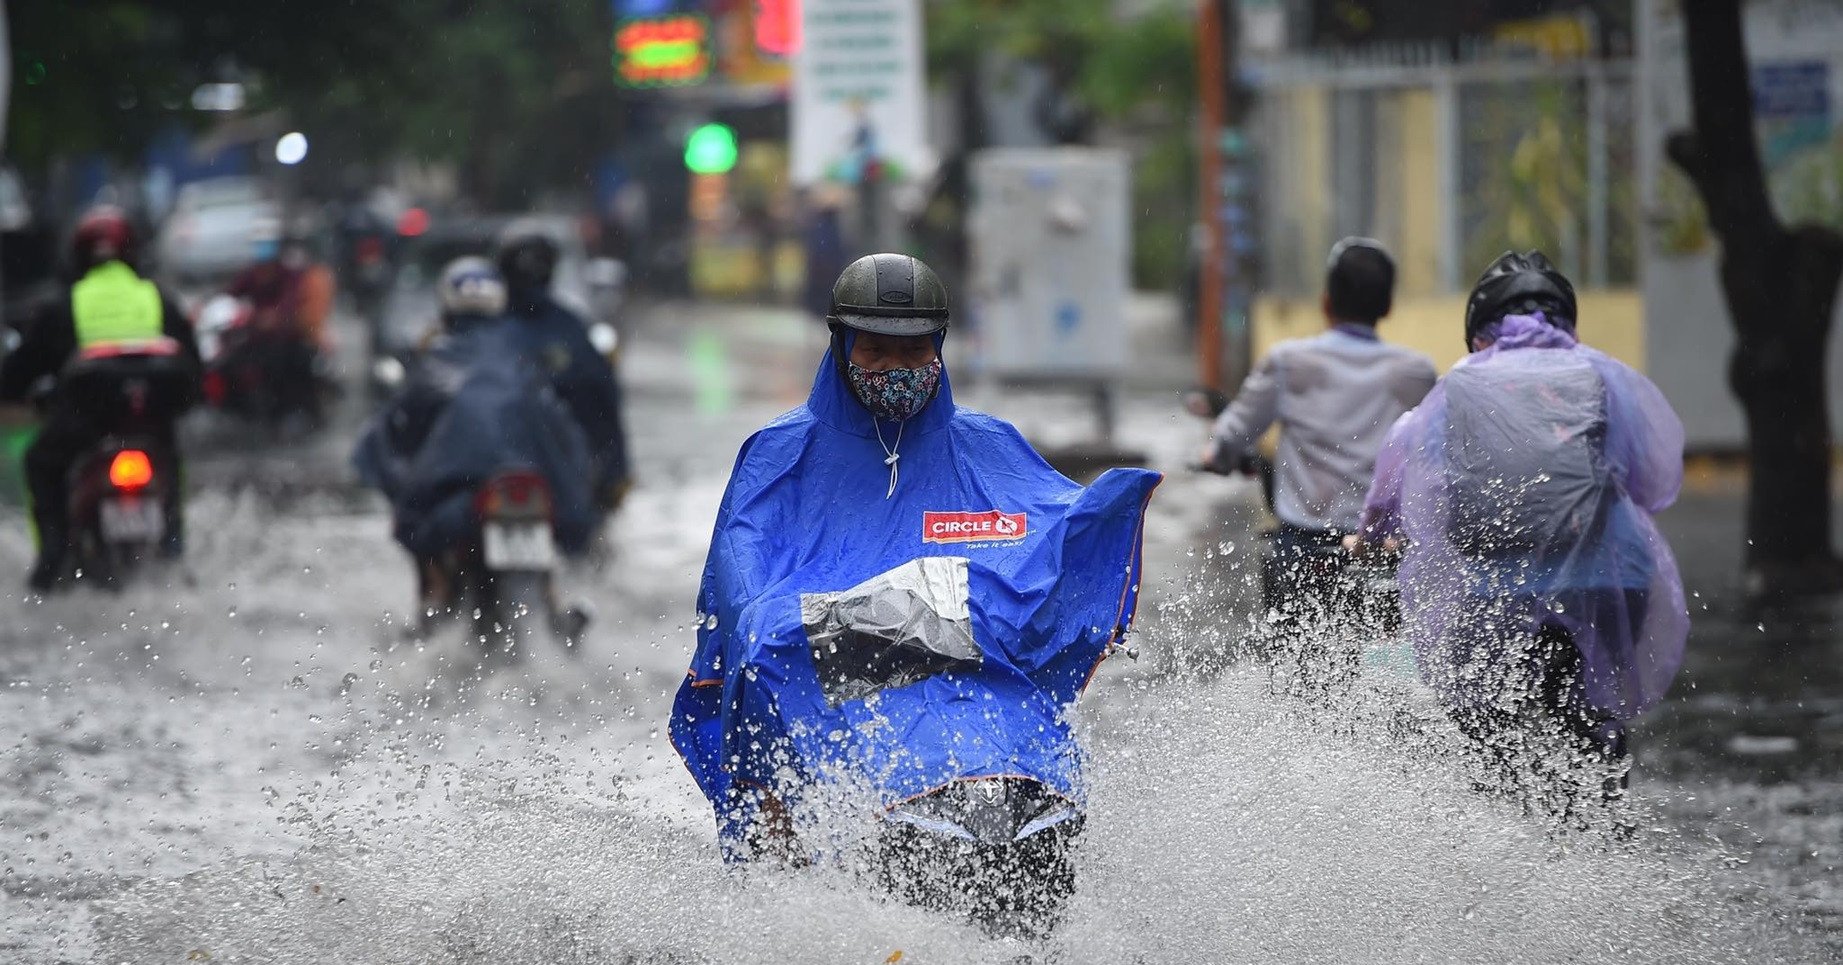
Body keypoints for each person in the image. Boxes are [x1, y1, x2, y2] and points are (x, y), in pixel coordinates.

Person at [669, 253, 1161, 862]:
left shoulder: (989, 445)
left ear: (941, 347)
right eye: (876, 350)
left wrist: (1102, 518)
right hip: (828, 689)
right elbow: (749, 609)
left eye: (914, 350)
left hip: (983, 708)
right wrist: (906, 614)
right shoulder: (780, 456)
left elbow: (1050, 563)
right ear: (841, 345)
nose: (897, 367)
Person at [1348, 251, 1688, 803]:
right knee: (1595, 723)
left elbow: (1404, 474)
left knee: (1483, 727)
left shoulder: (1456, 387)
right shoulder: (1601, 373)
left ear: (1478, 331)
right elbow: (1654, 483)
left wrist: (1370, 534)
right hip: (1608, 584)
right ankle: (1604, 826)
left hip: (1493, 597)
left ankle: (1501, 823)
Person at [1201, 237, 1436, 625]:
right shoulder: (1416, 372)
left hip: (1306, 549)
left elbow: (1232, 434)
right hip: (1385, 547)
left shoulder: (1289, 363)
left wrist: (1216, 456)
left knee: (1294, 664)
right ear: (1387, 306)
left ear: (1326, 302)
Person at [351, 257, 596, 619]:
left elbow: (393, 439)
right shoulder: (525, 358)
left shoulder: (436, 361)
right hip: (527, 493)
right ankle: (550, 600)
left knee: (419, 526)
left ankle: (433, 596)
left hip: (466, 502)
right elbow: (568, 438)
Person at [0, 205, 201, 592]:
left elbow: (18, 373)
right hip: (150, 422)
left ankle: (53, 557)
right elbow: (194, 366)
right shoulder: (157, 298)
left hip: (84, 424)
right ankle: (175, 547)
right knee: (171, 462)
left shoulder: (62, 306)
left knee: (40, 463)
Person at [494, 222, 632, 517]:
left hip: (565, 476)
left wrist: (614, 473)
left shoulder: (570, 330)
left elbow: (605, 402)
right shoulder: (488, 329)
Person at [223, 230, 334, 426]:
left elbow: (289, 305)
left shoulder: (289, 275)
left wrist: (275, 317)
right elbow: (231, 293)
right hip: (258, 338)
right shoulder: (252, 274)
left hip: (287, 339)